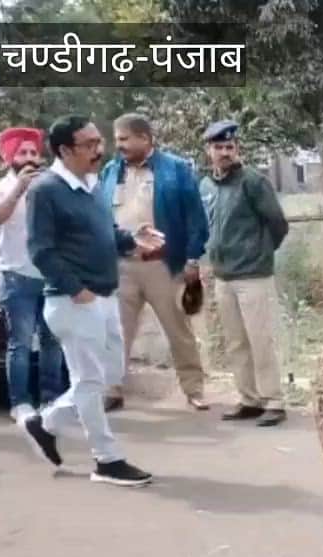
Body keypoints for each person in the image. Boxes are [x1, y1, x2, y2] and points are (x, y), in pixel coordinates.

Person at [19, 114, 162, 487]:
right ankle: (107, 459)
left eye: (99, 142)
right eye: (90, 145)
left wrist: (133, 239)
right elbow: (41, 250)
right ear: (65, 150)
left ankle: (44, 423)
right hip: (74, 302)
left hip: (104, 296)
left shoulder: (91, 184)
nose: (100, 151)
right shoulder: (45, 189)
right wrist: (74, 288)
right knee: (88, 380)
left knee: (109, 375)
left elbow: (105, 232)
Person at [96, 112, 210, 411]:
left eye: (124, 139)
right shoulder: (110, 171)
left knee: (178, 330)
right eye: (117, 139)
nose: (118, 145)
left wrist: (192, 259)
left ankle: (194, 389)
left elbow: (196, 219)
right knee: (117, 332)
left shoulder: (175, 170)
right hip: (122, 266)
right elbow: (101, 217)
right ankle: (113, 389)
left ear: (144, 138)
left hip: (163, 265)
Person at [198, 120, 290, 427]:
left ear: (237, 150)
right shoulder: (207, 186)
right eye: (218, 147)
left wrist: (261, 252)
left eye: (229, 147)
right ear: (208, 151)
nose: (224, 152)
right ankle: (249, 399)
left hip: (253, 275)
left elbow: (278, 223)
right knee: (236, 342)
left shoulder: (252, 181)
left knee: (260, 340)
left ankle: (273, 401)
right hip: (223, 276)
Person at [0, 126, 65, 421]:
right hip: (17, 278)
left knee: (52, 342)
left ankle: (51, 400)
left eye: (33, 152)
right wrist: (18, 188)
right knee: (19, 343)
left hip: (52, 277)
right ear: (9, 158)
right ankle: (20, 403)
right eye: (22, 153)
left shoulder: (50, 186)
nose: (30, 157)